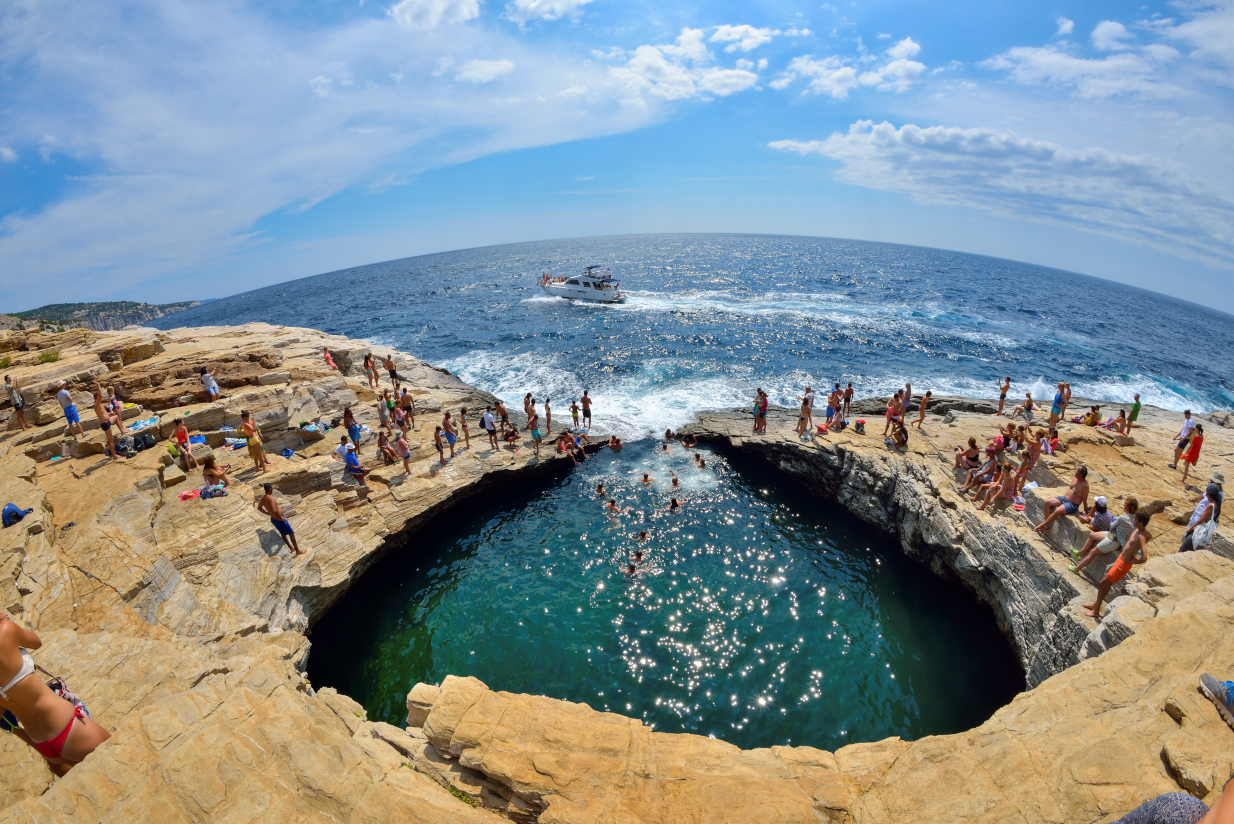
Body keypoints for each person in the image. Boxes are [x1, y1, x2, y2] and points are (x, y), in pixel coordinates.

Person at [0, 614, 111, 775]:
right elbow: (36, 642)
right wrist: (7, 622)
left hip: (42, 743)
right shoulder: (5, 630)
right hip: (68, 727)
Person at [1083, 511, 1151, 618]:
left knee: (1102, 584)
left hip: (1123, 565)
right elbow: (1150, 536)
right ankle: (1095, 605)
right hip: (1121, 559)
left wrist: (1136, 560)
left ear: (1141, 523)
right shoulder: (1142, 531)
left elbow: (1144, 557)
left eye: (1136, 520)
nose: (1133, 520)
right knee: (1107, 584)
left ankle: (1096, 611)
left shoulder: (1142, 537)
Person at [1072, 497, 1138, 574]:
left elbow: (1112, 526)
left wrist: (1116, 521)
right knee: (1092, 535)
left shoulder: (1122, 518)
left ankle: (1077, 569)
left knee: (1092, 552)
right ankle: (1080, 553)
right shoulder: (1136, 520)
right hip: (1113, 535)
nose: (1123, 504)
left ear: (1128, 506)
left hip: (1113, 540)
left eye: (1125, 503)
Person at [1034, 466, 1090, 533]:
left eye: (1077, 470)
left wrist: (1087, 513)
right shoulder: (1075, 478)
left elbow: (1084, 500)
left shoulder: (1085, 485)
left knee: (1057, 511)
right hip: (1064, 499)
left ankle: (1043, 525)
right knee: (1047, 502)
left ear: (1080, 474)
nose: (1075, 471)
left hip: (1072, 505)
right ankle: (1046, 526)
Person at [258, 483, 303, 555]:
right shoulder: (270, 498)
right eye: (271, 488)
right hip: (279, 519)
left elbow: (259, 508)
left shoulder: (264, 498)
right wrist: (281, 518)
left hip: (273, 519)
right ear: (269, 489)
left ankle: (291, 548)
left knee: (283, 533)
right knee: (291, 533)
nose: (272, 489)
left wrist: (268, 513)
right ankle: (297, 550)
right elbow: (274, 510)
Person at [1180, 484, 1221, 553]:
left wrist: (1191, 528)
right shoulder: (1218, 504)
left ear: (1210, 495)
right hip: (1206, 533)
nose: (1206, 495)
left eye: (1207, 493)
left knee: (1183, 549)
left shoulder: (1210, 506)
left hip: (1198, 531)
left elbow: (1201, 521)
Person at [91, 386, 118, 459]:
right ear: (97, 397)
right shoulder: (96, 405)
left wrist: (109, 414)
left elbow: (102, 414)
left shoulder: (99, 405)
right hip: (105, 424)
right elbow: (101, 394)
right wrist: (98, 385)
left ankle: (122, 430)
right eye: (99, 397)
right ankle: (114, 455)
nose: (101, 398)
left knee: (116, 417)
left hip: (108, 420)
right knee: (110, 440)